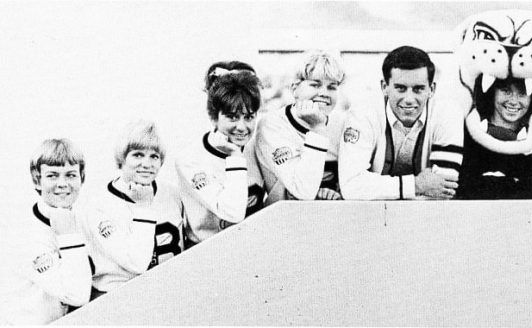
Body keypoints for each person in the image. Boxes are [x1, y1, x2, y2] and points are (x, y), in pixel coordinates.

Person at [338, 46, 463, 200]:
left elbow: (444, 189)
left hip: (426, 217)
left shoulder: (448, 112)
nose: (409, 99)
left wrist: (378, 190)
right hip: (371, 217)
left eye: (418, 89)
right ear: (384, 87)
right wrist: (417, 185)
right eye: (400, 88)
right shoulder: (363, 113)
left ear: (432, 89)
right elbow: (352, 186)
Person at [80, 120, 184, 299]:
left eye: (154, 156)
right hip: (119, 298)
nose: (147, 163)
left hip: (168, 291)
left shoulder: (171, 192)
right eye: (137, 155)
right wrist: (142, 208)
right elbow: (135, 263)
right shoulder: (98, 206)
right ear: (122, 159)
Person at [0, 139, 91, 324]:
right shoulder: (26, 236)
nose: (62, 183)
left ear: (82, 178)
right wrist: (69, 236)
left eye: (71, 175)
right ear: (37, 180)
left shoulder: (76, 218)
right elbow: (78, 295)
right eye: (52, 175)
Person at [175, 61, 264, 248]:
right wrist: (235, 157)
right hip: (208, 255)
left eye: (249, 117)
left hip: (255, 250)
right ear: (213, 116)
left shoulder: (257, 146)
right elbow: (232, 212)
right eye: (232, 117)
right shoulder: (190, 159)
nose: (241, 127)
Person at [254, 50, 347, 202]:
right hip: (285, 218)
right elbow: (303, 191)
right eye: (315, 85)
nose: (324, 93)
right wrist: (317, 129)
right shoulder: (272, 125)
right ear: (294, 88)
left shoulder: (342, 123)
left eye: (332, 87)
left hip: (334, 215)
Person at [454, 78, 532, 199]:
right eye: (506, 91)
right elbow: (462, 188)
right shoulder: (466, 136)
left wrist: (488, 181)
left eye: (522, 94)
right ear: (492, 91)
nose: (513, 101)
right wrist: (513, 183)